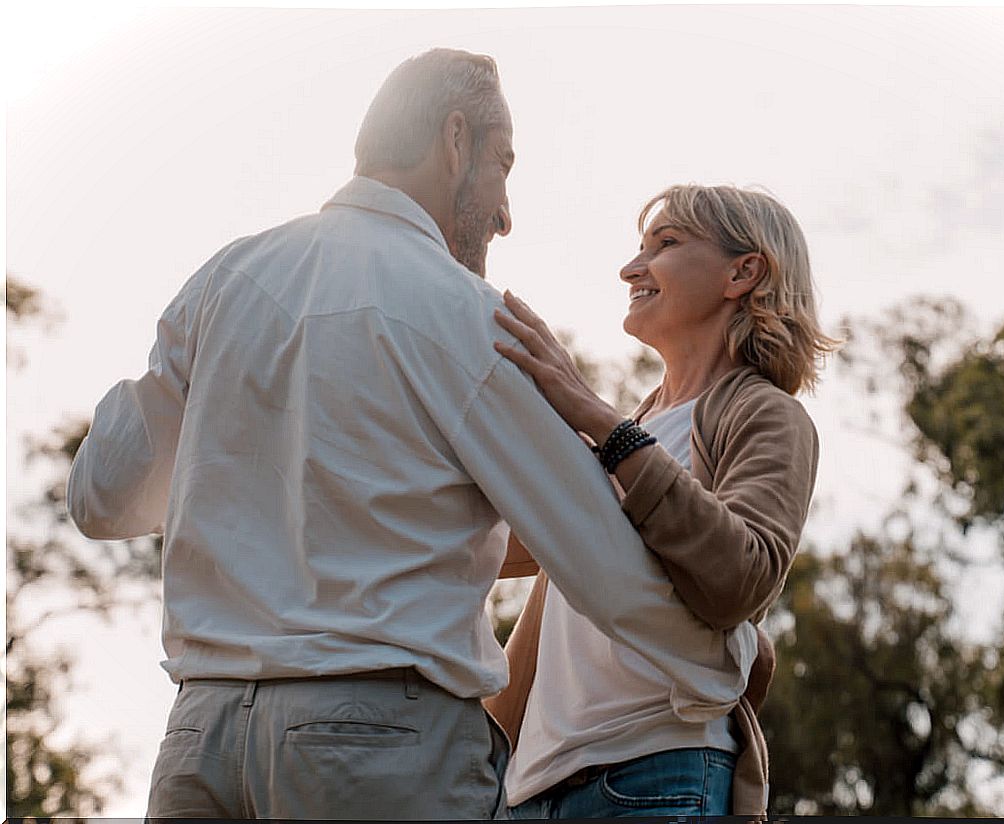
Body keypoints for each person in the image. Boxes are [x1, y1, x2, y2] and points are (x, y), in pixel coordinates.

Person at [67, 51, 757, 820]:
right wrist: (723, 665)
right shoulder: (465, 315)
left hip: (200, 749)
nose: (504, 213)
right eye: (503, 165)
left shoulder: (223, 281)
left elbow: (101, 499)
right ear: (453, 141)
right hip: (379, 754)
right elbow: (594, 549)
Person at [486, 183, 840, 818]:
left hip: (658, 772)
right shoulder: (635, 428)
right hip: (532, 789)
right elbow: (503, 545)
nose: (630, 268)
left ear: (744, 271)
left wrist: (594, 416)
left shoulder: (767, 416)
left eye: (666, 244)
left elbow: (742, 577)